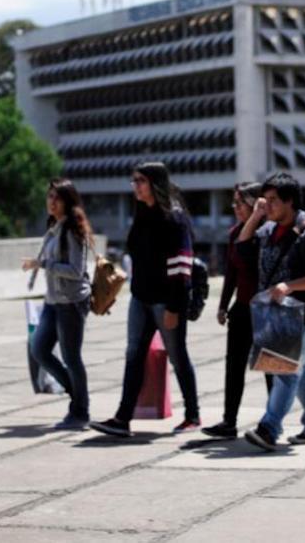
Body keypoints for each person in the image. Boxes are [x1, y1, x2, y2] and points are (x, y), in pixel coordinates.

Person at [90, 162, 201, 437]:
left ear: (155, 183)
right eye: (134, 181)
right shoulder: (141, 212)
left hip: (166, 300)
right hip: (140, 297)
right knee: (133, 355)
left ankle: (192, 415)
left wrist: (175, 307)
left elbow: (182, 267)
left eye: (140, 180)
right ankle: (122, 419)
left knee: (178, 356)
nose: (135, 186)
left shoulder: (174, 218)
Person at [237, 172, 305, 451]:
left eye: (272, 201)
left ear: (289, 201)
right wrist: (255, 216)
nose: (266, 205)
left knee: (285, 371)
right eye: (264, 199)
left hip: (300, 314)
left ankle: (269, 428)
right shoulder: (269, 228)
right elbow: (242, 249)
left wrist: (290, 286)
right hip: (276, 314)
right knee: (300, 370)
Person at [202, 182, 273, 439]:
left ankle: (271, 423)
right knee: (234, 367)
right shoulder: (234, 233)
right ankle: (228, 422)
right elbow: (231, 273)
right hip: (241, 308)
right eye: (233, 203)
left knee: (270, 368)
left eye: (239, 203)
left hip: (264, 309)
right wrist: (222, 305)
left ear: (256, 204)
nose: (235, 208)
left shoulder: (266, 232)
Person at [22, 178, 93, 430]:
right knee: (39, 349)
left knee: (71, 357)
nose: (51, 201)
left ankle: (81, 412)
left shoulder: (73, 230)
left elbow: (76, 270)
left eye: (57, 197)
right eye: (49, 196)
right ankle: (78, 394)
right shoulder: (55, 226)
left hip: (71, 303)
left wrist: (42, 265)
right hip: (53, 301)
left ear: (67, 201)